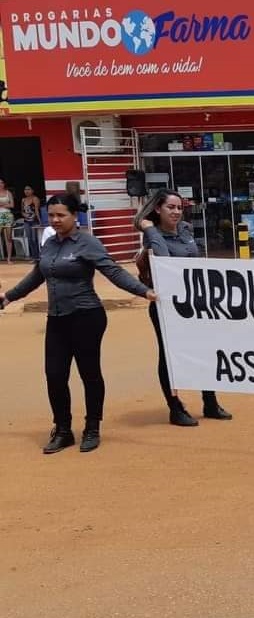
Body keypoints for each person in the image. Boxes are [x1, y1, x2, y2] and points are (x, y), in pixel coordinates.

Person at [0, 194, 156, 454]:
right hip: (57, 318)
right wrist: (8, 297)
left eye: (61, 215)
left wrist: (144, 291)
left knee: (89, 373)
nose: (55, 220)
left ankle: (92, 428)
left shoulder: (87, 242)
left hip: (87, 317)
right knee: (55, 376)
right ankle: (63, 430)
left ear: (75, 216)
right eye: (51, 215)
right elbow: (37, 276)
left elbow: (113, 271)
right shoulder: (49, 243)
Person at [136, 189, 232, 427]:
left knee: (204, 350)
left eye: (179, 207)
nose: (176, 212)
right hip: (166, 306)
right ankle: (175, 407)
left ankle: (210, 401)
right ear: (158, 209)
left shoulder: (186, 230)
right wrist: (148, 228)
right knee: (168, 355)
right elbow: (165, 260)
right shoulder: (153, 235)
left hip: (194, 304)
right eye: (171, 207)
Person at [20, 184, 42, 259]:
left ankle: (38, 256)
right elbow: (22, 211)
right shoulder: (23, 200)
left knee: (34, 239)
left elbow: (37, 211)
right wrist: (24, 215)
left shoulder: (35, 199)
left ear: (32, 190)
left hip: (34, 221)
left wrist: (40, 222)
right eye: (25, 189)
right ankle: (34, 256)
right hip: (26, 221)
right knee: (29, 239)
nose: (27, 191)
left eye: (29, 189)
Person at [0, 178, 15, 262]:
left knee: (8, 237)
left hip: (7, 215)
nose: (0, 184)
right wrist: (6, 204)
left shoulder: (8, 193)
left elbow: (12, 205)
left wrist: (2, 204)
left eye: (2, 182)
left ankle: (9, 258)